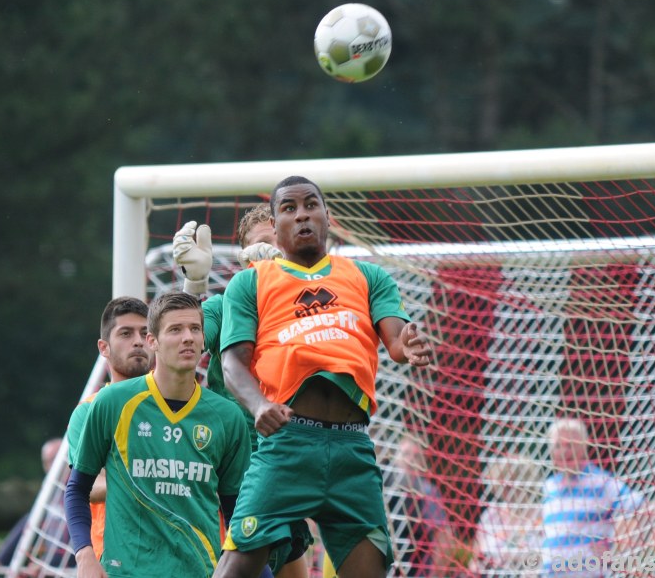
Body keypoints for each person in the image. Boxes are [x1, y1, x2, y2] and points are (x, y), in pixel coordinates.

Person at [211, 175, 433, 578]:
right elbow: (232, 364)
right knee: (235, 569)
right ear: (276, 227)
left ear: (328, 216)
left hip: (353, 450)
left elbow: (397, 339)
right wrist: (259, 404)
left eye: (311, 205)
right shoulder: (250, 283)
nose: (302, 215)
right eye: (289, 209)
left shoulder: (367, 277)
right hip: (287, 446)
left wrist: (409, 345)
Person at [64, 291, 252, 577]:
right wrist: (84, 555)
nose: (187, 337)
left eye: (195, 329)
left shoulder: (227, 417)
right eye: (175, 330)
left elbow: (237, 510)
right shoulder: (107, 405)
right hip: (123, 568)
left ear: (204, 339)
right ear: (155, 342)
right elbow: (77, 488)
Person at [173, 204, 312, 578]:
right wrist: (194, 286)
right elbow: (190, 341)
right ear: (244, 260)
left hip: (290, 465)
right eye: (259, 247)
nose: (268, 255)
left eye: (276, 244)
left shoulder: (310, 307)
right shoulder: (223, 305)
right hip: (230, 474)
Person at [65, 296, 154, 560]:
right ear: (104, 347)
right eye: (126, 333)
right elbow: (88, 487)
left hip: (181, 555)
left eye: (145, 333)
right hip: (114, 554)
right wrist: (161, 477)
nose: (138, 340)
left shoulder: (179, 403)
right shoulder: (89, 411)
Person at [541, 418, 645, 577]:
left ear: (583, 446)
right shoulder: (549, 487)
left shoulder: (601, 482)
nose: (563, 451)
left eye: (569, 445)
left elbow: (640, 507)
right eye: (557, 446)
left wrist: (615, 548)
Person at [0, 438, 66, 577]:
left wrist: (47, 564)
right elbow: (29, 523)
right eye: (47, 461)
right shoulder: (50, 494)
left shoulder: (84, 490)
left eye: (56, 458)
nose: (52, 466)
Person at [389, 437, 458, 577]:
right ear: (395, 458)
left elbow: (443, 536)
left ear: (423, 463)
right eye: (406, 454)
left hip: (418, 569)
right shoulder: (385, 489)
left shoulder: (428, 492)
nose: (411, 460)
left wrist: (434, 574)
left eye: (416, 456)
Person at [469, 454, 544, 576]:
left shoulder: (543, 514)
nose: (508, 488)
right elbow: (475, 560)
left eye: (516, 482)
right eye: (503, 482)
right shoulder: (490, 516)